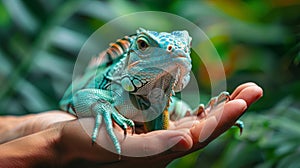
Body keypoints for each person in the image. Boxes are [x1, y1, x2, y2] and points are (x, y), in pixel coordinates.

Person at [0, 82, 262, 168]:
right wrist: (55, 143)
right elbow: (82, 98)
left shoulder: (157, 90)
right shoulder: (119, 86)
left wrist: (25, 128)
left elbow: (163, 105)